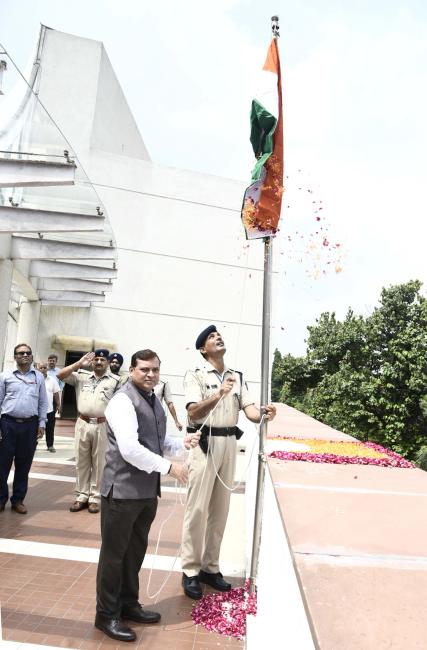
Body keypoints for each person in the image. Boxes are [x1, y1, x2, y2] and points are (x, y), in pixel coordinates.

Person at [95, 348, 199, 642]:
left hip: (144, 493)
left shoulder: (154, 401)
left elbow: (156, 440)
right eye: (144, 369)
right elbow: (129, 449)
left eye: (155, 369)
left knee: (134, 553)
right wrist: (170, 468)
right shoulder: (122, 401)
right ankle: (106, 615)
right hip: (122, 492)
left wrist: (182, 443)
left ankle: (128, 604)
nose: (150, 374)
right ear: (131, 370)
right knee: (114, 556)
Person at [181, 325, 277, 599]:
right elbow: (192, 413)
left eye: (218, 335)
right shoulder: (195, 375)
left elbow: (250, 411)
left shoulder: (237, 376)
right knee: (197, 509)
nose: (218, 338)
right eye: (211, 337)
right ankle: (190, 570)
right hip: (205, 443)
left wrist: (264, 413)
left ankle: (210, 568)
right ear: (203, 349)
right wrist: (218, 394)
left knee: (221, 509)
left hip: (229, 444)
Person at [57, 349, 119, 514]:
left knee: (99, 463)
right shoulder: (81, 376)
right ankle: (81, 496)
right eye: (96, 359)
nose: (99, 362)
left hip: (102, 425)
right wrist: (78, 364)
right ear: (92, 362)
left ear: (107, 363)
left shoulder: (115, 381)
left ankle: (94, 498)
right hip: (82, 423)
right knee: (81, 461)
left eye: (102, 360)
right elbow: (60, 375)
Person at [0, 343, 48, 514]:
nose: (25, 355)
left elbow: (43, 402)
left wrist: (42, 424)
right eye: (21, 353)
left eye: (28, 353)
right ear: (15, 357)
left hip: (30, 426)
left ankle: (18, 500)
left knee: (24, 464)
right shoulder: (5, 376)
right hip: (7, 424)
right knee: (2, 463)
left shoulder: (39, 377)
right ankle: (0, 499)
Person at [38, 362, 61, 452]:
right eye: (41, 368)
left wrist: (58, 405)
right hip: (37, 411)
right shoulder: (34, 379)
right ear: (37, 369)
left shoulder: (52, 380)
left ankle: (50, 445)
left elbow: (56, 393)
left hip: (49, 410)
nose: (43, 369)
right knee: (34, 429)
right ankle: (33, 445)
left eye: (44, 367)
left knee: (50, 429)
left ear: (47, 369)